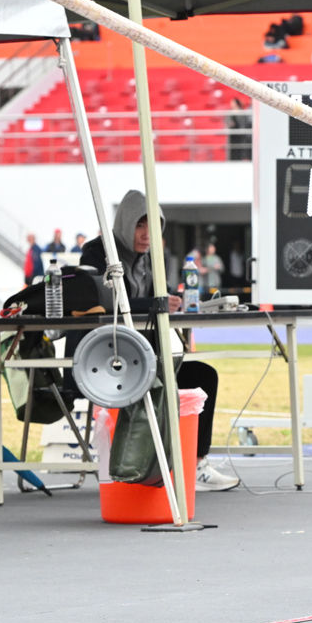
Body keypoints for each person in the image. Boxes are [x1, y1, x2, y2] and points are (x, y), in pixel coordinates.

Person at [74, 191, 237, 492]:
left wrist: (173, 301)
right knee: (171, 381)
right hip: (107, 362)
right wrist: (156, 303)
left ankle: (196, 464)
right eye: (140, 225)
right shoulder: (97, 252)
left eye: (153, 226)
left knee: (203, 376)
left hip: (145, 357)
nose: (147, 234)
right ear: (124, 223)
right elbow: (101, 301)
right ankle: (152, 465)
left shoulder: (151, 258)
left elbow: (160, 298)